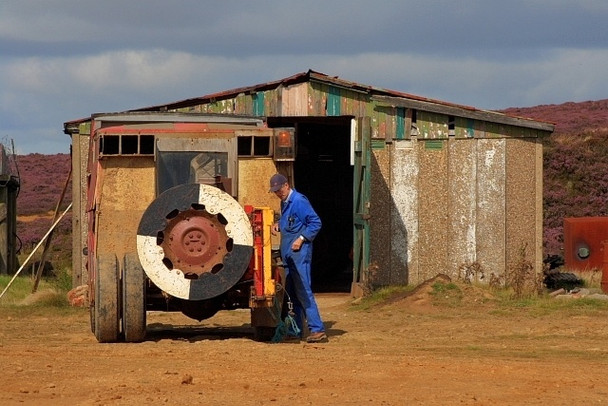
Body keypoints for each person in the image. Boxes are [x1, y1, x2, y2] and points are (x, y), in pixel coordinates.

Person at [269, 173, 327, 343]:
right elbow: (291, 221)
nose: (278, 193)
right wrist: (279, 225)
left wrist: (301, 239)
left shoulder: (299, 201)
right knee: (291, 294)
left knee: (303, 291)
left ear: (286, 185)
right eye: (275, 192)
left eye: (279, 190)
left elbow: (315, 222)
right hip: (288, 255)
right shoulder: (285, 202)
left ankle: (317, 329)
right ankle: (296, 331)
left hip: (299, 254)